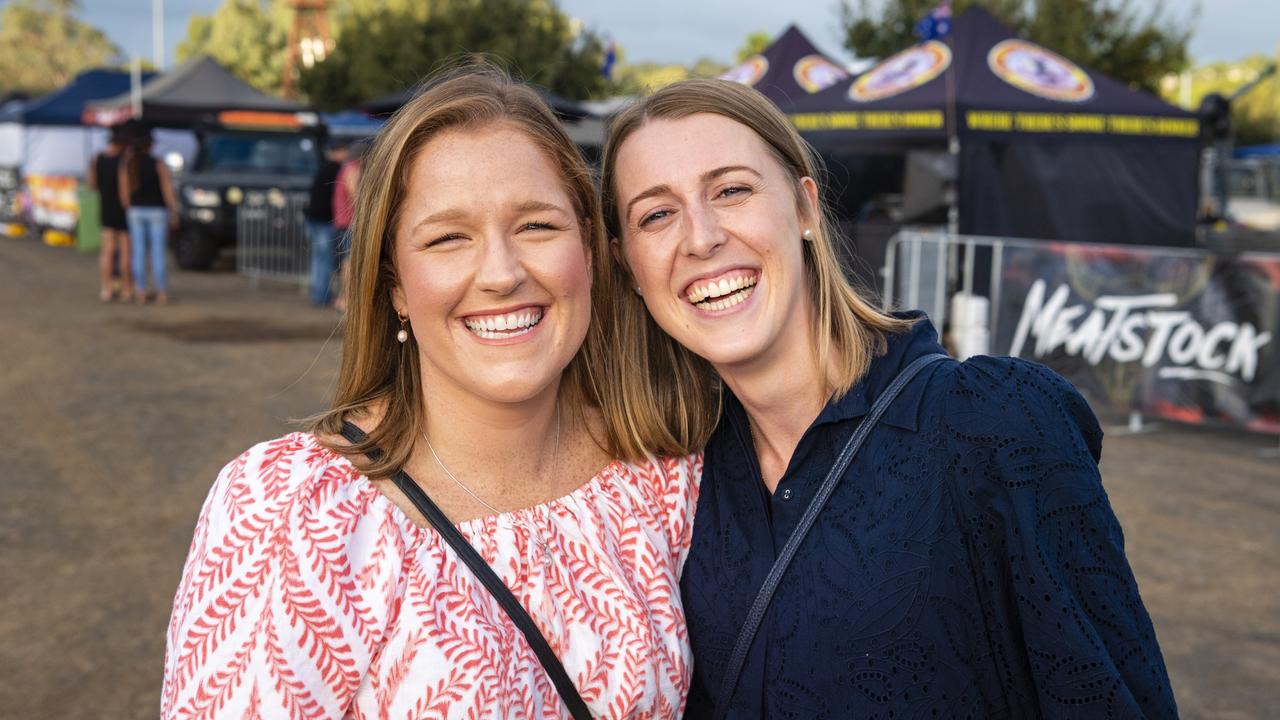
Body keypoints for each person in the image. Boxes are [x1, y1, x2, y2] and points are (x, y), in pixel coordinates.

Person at [600, 78, 1178, 719]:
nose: (700, 236)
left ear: (805, 209)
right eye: (656, 214)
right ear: (628, 267)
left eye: (732, 189)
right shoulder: (669, 480)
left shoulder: (994, 423)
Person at [161, 67, 699, 719]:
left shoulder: (660, 474)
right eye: (448, 238)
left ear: (588, 247)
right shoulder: (297, 513)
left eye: (537, 226)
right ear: (393, 285)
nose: (501, 273)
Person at [119, 128, 178, 305]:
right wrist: (173, 209)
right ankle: (161, 292)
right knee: (158, 252)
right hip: (157, 210)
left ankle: (141, 291)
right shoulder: (157, 163)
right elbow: (167, 188)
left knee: (138, 252)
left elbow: (123, 192)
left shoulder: (128, 163)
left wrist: (129, 207)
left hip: (136, 210)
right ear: (150, 145)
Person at [88, 123, 131, 302]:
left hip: (105, 206)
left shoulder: (98, 158)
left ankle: (106, 288)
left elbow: (92, 184)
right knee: (125, 250)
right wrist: (127, 205)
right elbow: (124, 189)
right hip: (121, 209)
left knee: (107, 250)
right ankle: (127, 289)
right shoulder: (124, 159)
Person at [303, 137, 349, 306]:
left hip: (313, 218)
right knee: (324, 259)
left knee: (318, 258)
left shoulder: (322, 168)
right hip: (325, 221)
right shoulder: (338, 171)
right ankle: (322, 296)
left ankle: (318, 293)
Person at [329, 139, 364, 312]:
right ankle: (344, 299)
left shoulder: (347, 168)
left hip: (345, 222)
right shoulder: (353, 169)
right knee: (348, 263)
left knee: (346, 262)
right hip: (349, 223)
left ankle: (343, 299)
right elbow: (354, 196)